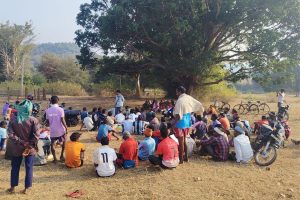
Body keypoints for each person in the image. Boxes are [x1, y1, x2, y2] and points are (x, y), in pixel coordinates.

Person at [6, 99, 40, 194]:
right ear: (29, 109)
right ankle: (27, 188)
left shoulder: (13, 119)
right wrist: (29, 144)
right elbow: (37, 135)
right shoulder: (33, 120)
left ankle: (12, 188)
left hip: (16, 147)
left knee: (15, 167)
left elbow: (10, 134)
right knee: (29, 167)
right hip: (30, 148)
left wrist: (20, 141)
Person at [173, 86, 204, 163]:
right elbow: (198, 104)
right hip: (187, 122)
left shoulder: (180, 100)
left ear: (179, 91)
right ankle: (186, 157)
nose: (176, 93)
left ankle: (181, 159)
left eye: (177, 91)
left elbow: (178, 115)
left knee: (181, 142)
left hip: (180, 123)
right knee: (184, 141)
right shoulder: (189, 97)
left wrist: (173, 124)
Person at [45, 96, 68, 163]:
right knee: (64, 143)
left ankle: (55, 159)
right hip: (61, 130)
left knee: (52, 144)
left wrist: (46, 126)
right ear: (58, 101)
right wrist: (66, 128)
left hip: (53, 130)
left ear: (51, 101)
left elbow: (47, 122)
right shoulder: (61, 109)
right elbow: (62, 120)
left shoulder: (48, 110)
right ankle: (61, 156)